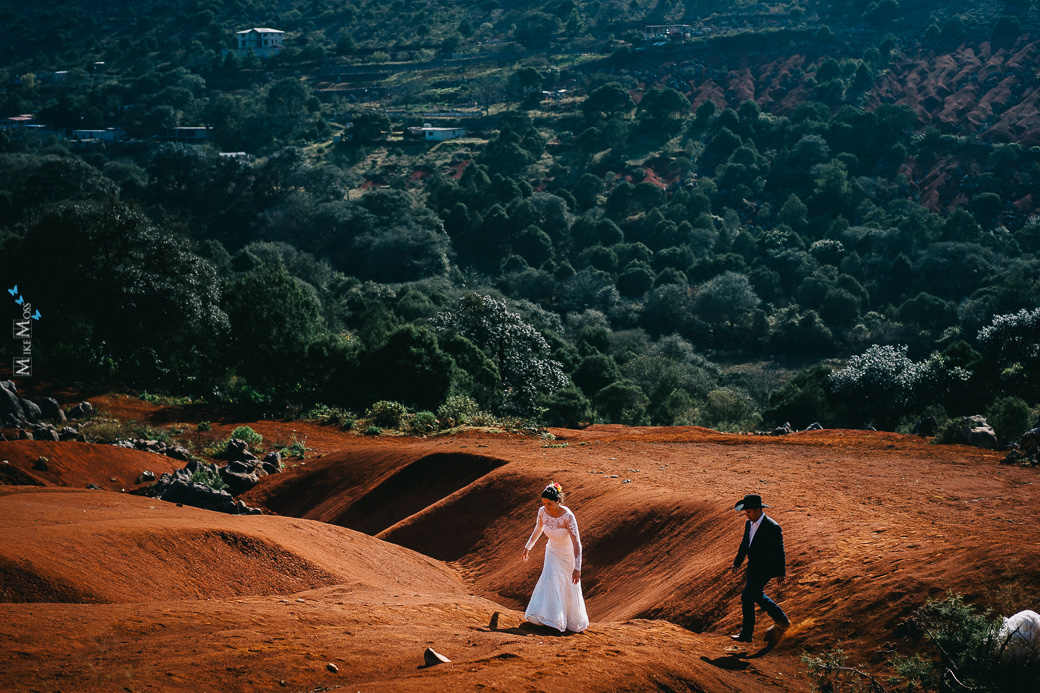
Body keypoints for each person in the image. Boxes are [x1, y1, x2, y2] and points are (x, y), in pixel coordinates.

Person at [521, 481, 589, 633]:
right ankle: (550, 618)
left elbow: (577, 543)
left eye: (549, 503)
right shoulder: (542, 512)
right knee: (550, 580)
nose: (546, 507)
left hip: (568, 556)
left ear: (558, 500)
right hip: (552, 552)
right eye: (544, 503)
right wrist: (528, 547)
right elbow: (538, 528)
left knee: (567, 586)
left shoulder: (568, 517)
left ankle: (566, 619)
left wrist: (577, 568)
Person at [730, 493, 790, 643]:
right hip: (753, 567)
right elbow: (745, 545)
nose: (747, 515)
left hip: (766, 568)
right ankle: (782, 620)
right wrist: (737, 562)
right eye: (746, 512)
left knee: (747, 596)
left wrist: (780, 572)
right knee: (757, 595)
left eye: (749, 512)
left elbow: (779, 550)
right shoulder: (749, 524)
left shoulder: (772, 527)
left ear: (758, 510)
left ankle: (746, 634)